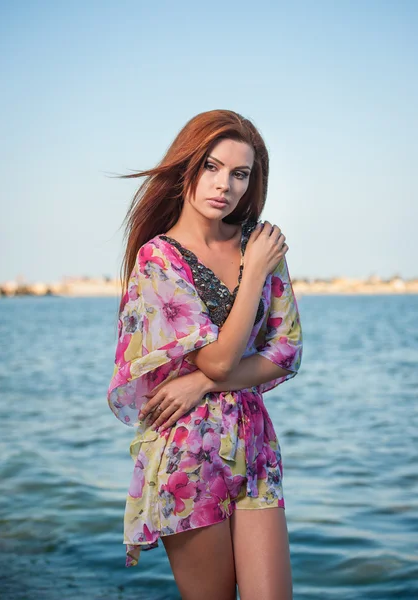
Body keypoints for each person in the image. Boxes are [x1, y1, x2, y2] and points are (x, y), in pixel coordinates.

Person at [107, 109, 303, 600]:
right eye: (212, 167)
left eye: (240, 174)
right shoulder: (159, 258)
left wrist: (201, 381)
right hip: (187, 451)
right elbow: (217, 359)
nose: (226, 186)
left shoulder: (260, 244)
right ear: (187, 168)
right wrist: (253, 272)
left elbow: (285, 352)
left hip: (255, 445)